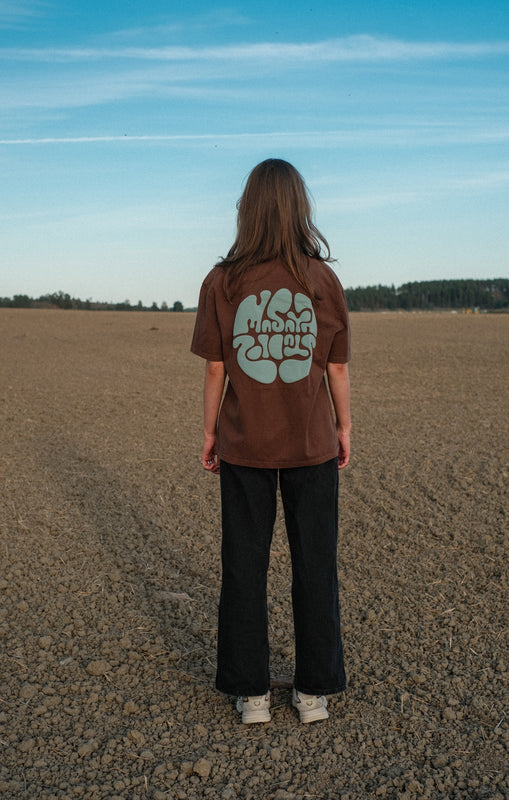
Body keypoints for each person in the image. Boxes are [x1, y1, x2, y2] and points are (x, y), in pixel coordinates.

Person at [191, 158, 351, 724]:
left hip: (244, 446)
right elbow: (335, 369)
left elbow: (216, 369)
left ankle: (252, 694)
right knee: (316, 565)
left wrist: (209, 430)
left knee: (244, 565)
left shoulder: (222, 281)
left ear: (248, 210)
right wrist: (344, 427)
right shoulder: (322, 280)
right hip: (312, 446)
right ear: (298, 209)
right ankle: (313, 694)